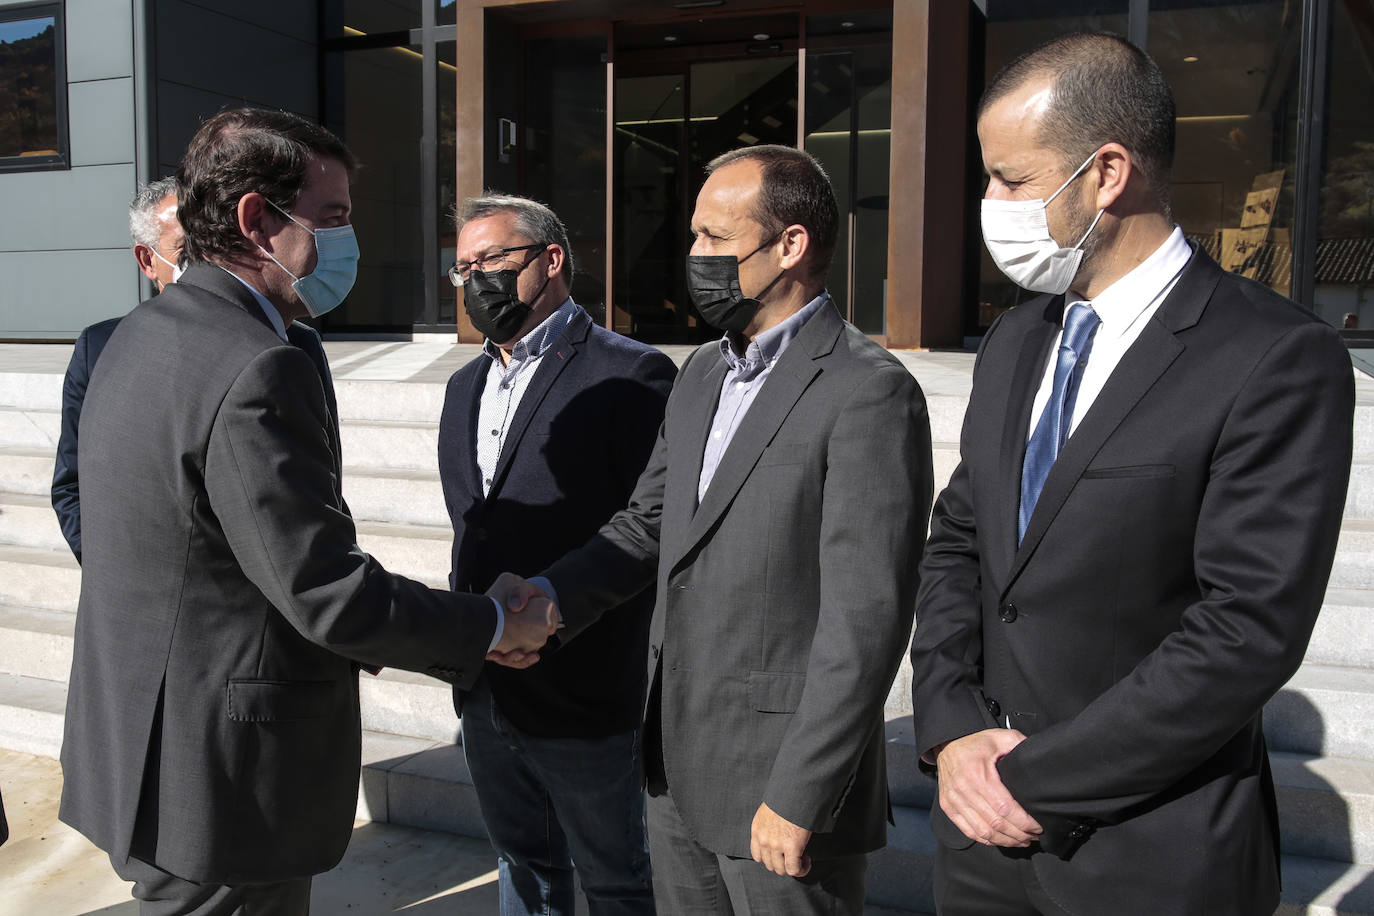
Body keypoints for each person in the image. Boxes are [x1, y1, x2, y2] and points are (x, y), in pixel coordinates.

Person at [57, 107, 556, 916]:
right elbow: (322, 587)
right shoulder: (256, 365)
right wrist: (493, 628)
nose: (344, 245)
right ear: (259, 222)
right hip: (223, 779)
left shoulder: (138, 337)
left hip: (147, 751)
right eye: (331, 220)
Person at [909, 32, 1353, 916]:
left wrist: (1032, 778)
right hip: (981, 848)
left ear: (1107, 173)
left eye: (1013, 179)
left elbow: (1246, 629)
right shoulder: (1015, 339)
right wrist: (954, 727)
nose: (990, 203)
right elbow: (962, 539)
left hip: (1150, 856)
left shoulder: (1273, 357)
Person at [492, 144, 933, 914]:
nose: (693, 256)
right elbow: (647, 525)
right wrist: (547, 599)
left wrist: (803, 791)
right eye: (693, 236)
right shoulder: (701, 372)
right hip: (675, 775)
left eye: (715, 240)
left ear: (791, 245)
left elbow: (866, 620)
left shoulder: (870, 392)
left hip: (780, 794)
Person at [439, 193, 675, 915]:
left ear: (551, 261)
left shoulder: (632, 373)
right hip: (486, 684)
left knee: (616, 880)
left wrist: (552, 606)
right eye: (464, 267)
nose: (478, 280)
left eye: (496, 260)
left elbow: (649, 525)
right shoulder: (463, 384)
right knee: (523, 866)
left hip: (585, 682)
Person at [51, 177, 184, 562]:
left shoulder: (284, 342)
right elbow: (71, 484)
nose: (204, 263)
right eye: (185, 249)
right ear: (148, 261)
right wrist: (109, 570)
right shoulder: (100, 348)